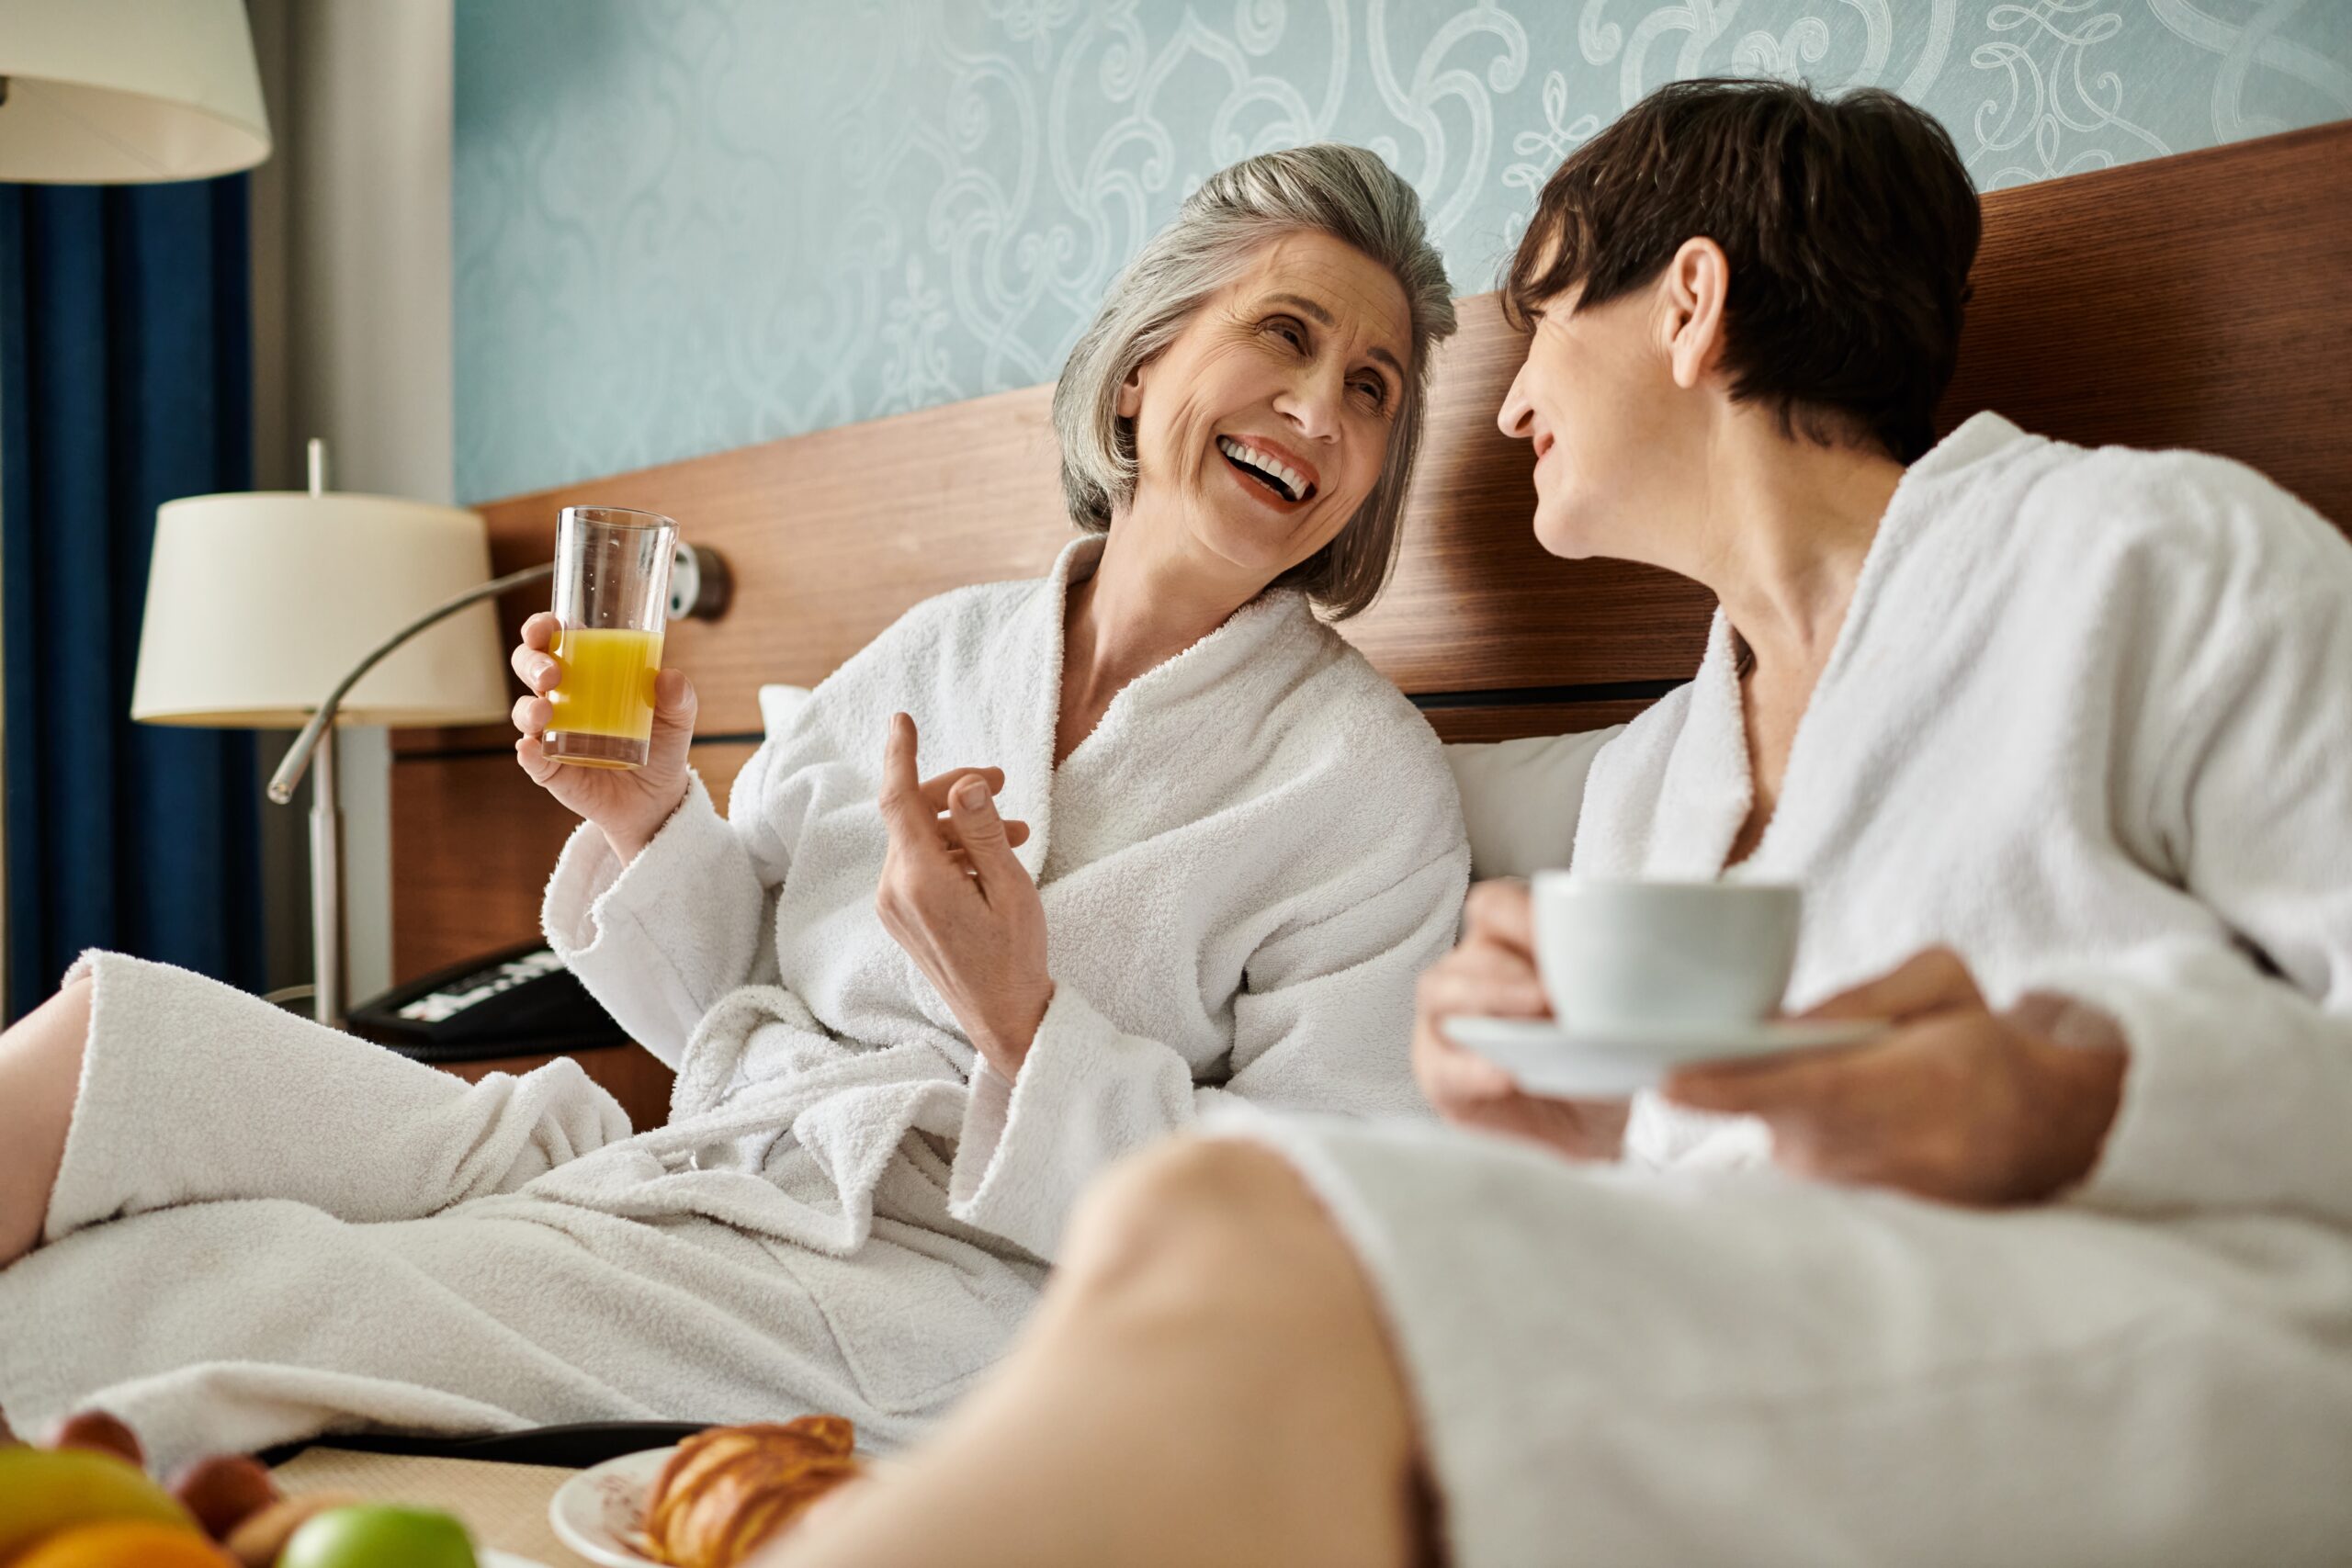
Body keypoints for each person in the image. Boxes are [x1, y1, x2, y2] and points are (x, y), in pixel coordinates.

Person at [759, 81, 2352, 1568]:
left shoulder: (2148, 558)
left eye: (1539, 323)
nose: (1510, 404)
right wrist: (1562, 1133)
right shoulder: (1665, 784)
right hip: (1763, 1350)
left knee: (1252, 1236)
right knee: (1214, 1234)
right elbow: (1677, 1182)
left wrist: (2073, 1095)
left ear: (1689, 303)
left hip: (2182, 1329)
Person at [0, 143, 1471, 1470]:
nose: (1318, 409)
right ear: (1141, 369)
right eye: (1286, 333)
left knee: (231, 1289)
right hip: (707, 1157)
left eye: (1373, 389)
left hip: (925, 1288)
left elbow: (1313, 1232)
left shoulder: (1360, 785)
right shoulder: (940, 651)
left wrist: (1022, 1017)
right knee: (123, 1050)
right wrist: (649, 818)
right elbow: (726, 1001)